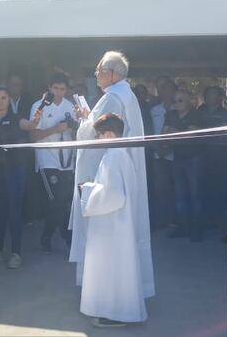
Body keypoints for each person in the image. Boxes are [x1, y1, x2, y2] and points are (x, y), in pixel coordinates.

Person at [71, 51, 154, 325]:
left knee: (111, 252)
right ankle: (107, 300)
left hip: (108, 187)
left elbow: (89, 134)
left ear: (112, 73)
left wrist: (84, 120)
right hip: (118, 178)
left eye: (98, 70)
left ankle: (115, 305)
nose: (95, 74)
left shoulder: (113, 97)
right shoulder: (125, 94)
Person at [78, 113, 149, 328]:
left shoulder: (112, 156)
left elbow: (115, 195)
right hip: (120, 223)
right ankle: (119, 310)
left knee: (113, 269)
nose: (98, 139)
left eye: (99, 135)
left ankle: (116, 313)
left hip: (112, 224)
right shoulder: (121, 154)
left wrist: (88, 190)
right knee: (118, 269)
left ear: (108, 134)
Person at [0, 86, 41, 269]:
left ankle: (16, 253)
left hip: (14, 171)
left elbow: (30, 126)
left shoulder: (15, 118)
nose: (0, 101)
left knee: (14, 212)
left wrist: (36, 119)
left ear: (9, 100)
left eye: (3, 97)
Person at [29, 72, 76, 253]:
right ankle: (68, 238)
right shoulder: (38, 106)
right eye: (55, 88)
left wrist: (72, 127)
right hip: (46, 159)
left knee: (62, 201)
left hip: (66, 159)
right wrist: (56, 128)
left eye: (62, 89)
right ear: (49, 88)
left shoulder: (71, 106)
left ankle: (47, 235)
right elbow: (33, 135)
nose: (58, 92)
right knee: (55, 200)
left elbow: (77, 133)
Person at [164, 88, 204, 241]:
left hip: (194, 158)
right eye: (175, 100)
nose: (177, 103)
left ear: (189, 102)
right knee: (179, 195)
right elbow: (164, 133)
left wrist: (175, 132)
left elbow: (191, 135)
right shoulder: (171, 114)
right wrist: (178, 133)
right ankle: (183, 226)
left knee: (195, 194)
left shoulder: (196, 115)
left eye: (180, 100)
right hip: (178, 158)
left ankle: (197, 229)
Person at [197, 85, 227, 238]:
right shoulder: (199, 112)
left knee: (223, 192)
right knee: (204, 190)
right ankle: (207, 223)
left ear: (220, 97)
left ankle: (225, 228)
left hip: (222, 156)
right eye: (208, 94)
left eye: (214, 94)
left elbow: (226, 132)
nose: (210, 97)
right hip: (203, 155)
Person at [148, 78, 177, 230]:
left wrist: (170, 148)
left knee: (175, 188)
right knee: (159, 189)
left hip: (175, 154)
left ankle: (174, 219)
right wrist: (157, 148)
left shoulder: (178, 109)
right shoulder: (154, 110)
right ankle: (161, 220)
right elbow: (151, 131)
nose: (167, 93)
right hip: (157, 155)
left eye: (170, 89)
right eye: (164, 89)